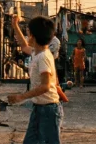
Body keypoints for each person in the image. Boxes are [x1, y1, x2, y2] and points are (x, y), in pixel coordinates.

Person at [7, 14, 61, 144]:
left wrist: (22, 96)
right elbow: (24, 46)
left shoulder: (43, 57)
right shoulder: (37, 52)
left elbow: (45, 86)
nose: (27, 33)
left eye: (28, 31)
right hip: (39, 108)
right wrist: (15, 26)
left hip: (49, 110)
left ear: (33, 36)